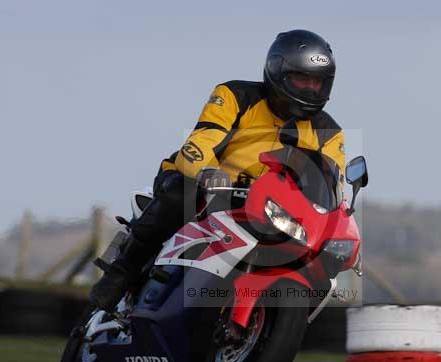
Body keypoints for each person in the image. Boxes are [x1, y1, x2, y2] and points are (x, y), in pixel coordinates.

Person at [89, 29, 346, 310]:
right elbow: (199, 144)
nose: (310, 89)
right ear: (278, 71)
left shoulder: (329, 133)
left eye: (317, 83)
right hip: (210, 186)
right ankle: (122, 271)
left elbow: (333, 183)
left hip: (269, 208)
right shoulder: (236, 95)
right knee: (182, 193)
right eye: (301, 79)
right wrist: (208, 173)